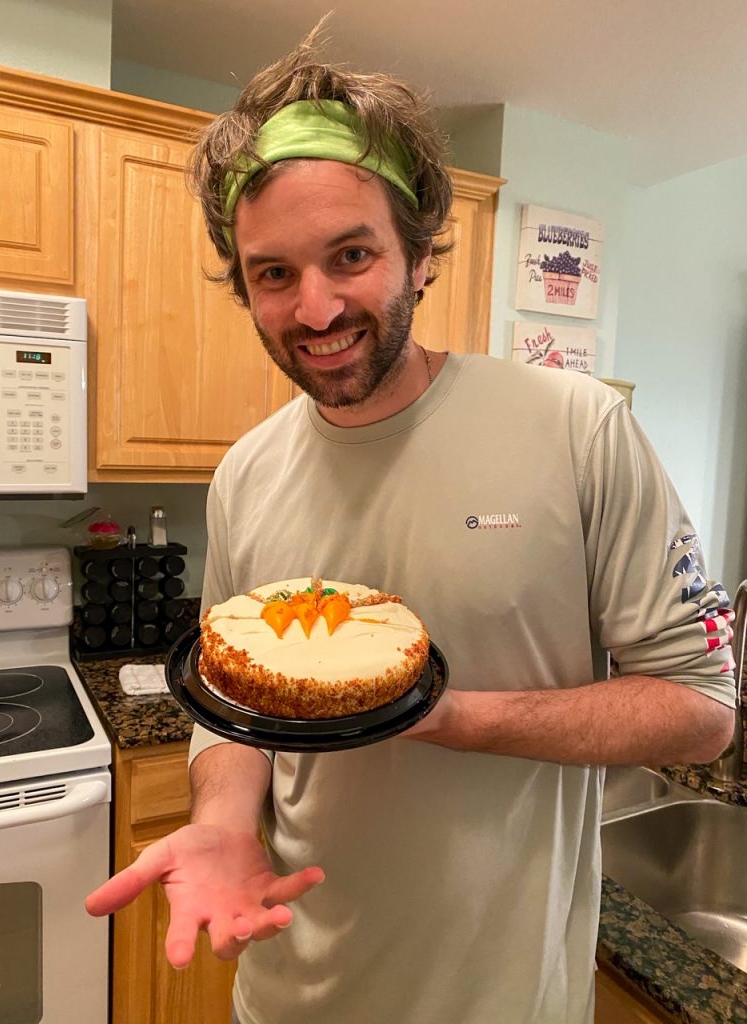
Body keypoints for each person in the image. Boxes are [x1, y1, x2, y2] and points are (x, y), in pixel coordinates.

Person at [86, 25, 737, 1024]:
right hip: (288, 995)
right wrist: (221, 817)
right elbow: (230, 704)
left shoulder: (576, 429)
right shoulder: (249, 473)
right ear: (243, 283)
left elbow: (699, 707)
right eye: (273, 273)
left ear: (423, 253)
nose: (315, 307)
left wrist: (441, 714)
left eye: (352, 255)